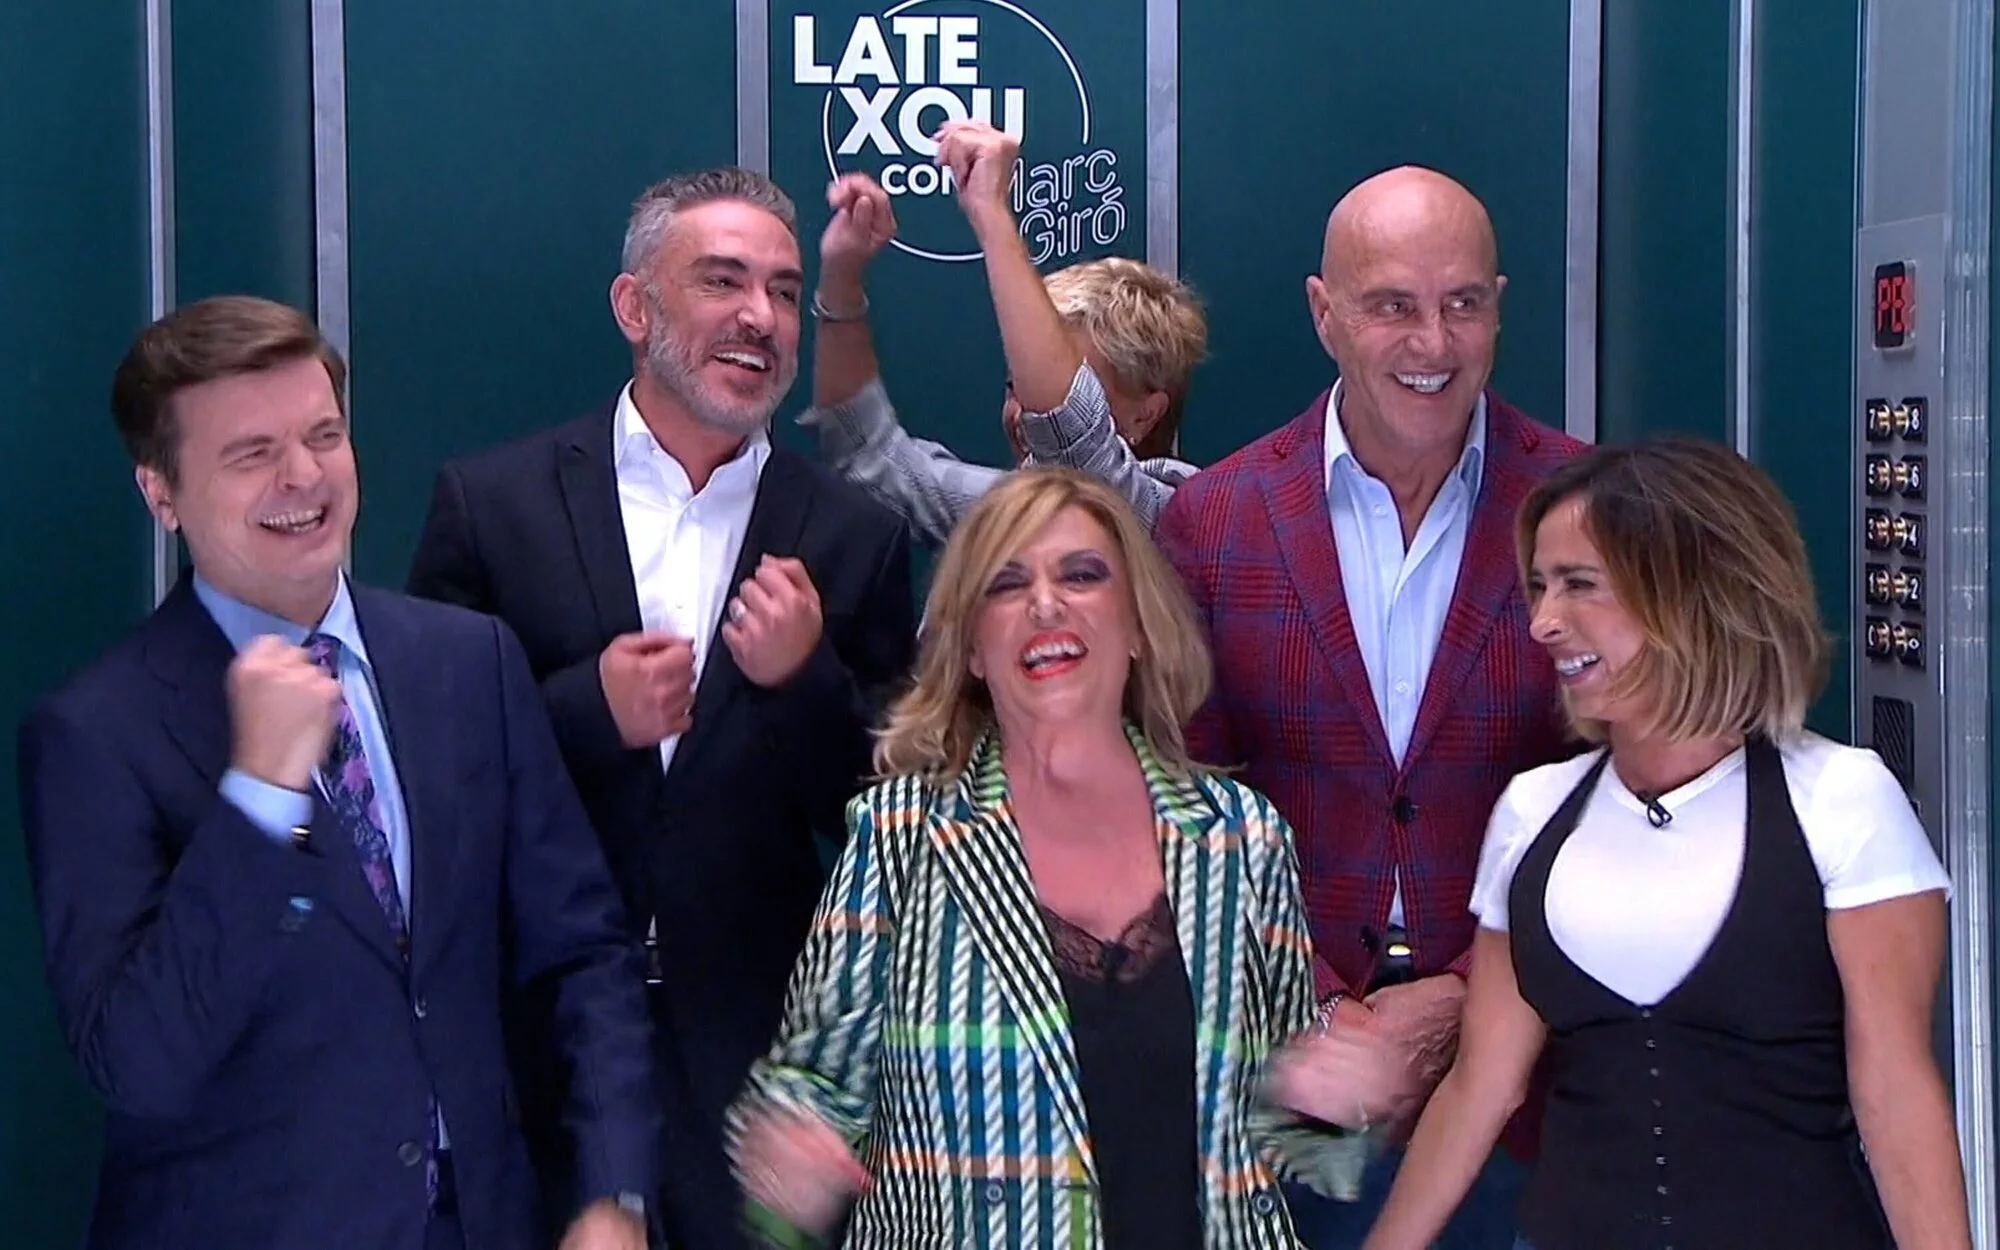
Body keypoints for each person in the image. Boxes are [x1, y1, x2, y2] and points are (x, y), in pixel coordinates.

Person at [17, 296, 659, 1250]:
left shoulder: (469, 662)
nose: (304, 475)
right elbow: (140, 1060)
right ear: (161, 492)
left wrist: (613, 1191)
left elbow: (582, 952)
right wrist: (259, 800)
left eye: (323, 435)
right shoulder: (94, 735)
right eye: (252, 453)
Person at [406, 167, 917, 1248]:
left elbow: (890, 807)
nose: (760, 317)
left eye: (785, 291)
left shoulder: (853, 535)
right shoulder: (492, 504)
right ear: (634, 307)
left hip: (755, 1068)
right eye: (722, 281)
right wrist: (584, 713)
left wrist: (805, 678)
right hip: (534, 1051)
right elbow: (420, 776)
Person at [1360, 436, 1971, 1250]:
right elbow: (1481, 1088)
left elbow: (1894, 1094)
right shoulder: (1533, 812)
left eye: (1580, 584)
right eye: (1539, 586)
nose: (1543, 622)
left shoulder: (1842, 802)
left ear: (1691, 592)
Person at [726, 468, 1347, 1249]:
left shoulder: (1244, 840)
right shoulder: (899, 837)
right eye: (1007, 584)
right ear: (972, 649)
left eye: (1082, 576)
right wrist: (787, 1162)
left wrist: (1338, 1102)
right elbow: (809, 1087)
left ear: (1138, 626)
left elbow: (1300, 1147)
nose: (1045, 604)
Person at [1153, 165, 1585, 1249]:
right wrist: (1324, 1006)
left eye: (1462, 303)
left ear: (1498, 305)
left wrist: (1463, 994)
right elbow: (1181, 803)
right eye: (1392, 304)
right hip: (1292, 1073)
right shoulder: (1216, 520)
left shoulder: (1587, 508)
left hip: (1532, 1075)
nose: (1432, 343)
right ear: (1324, 313)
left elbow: (1626, 794)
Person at [803, 119, 1206, 547]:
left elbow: (1068, 438)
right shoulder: (1009, 509)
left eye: (1064, 380)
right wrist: (842, 276)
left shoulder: (1180, 518)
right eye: (1018, 386)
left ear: (1146, 414)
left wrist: (990, 209)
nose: (1025, 415)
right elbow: (867, 458)